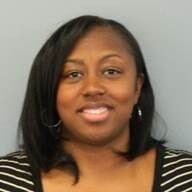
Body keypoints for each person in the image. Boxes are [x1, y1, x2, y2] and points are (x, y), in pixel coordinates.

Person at [0, 15, 192, 192]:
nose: (92, 88)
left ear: (137, 88)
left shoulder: (186, 178)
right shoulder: (6, 180)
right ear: (50, 92)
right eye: (73, 74)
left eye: (111, 71)